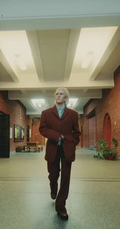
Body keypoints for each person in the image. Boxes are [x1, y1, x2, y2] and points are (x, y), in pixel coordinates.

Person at [39, 88, 81, 220]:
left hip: (67, 150)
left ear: (66, 98)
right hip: (53, 148)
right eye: (56, 94)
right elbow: (43, 129)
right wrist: (56, 136)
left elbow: (77, 132)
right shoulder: (46, 113)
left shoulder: (73, 114)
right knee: (53, 174)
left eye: (61, 94)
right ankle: (53, 187)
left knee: (65, 178)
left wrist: (72, 142)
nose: (58, 96)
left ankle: (61, 207)